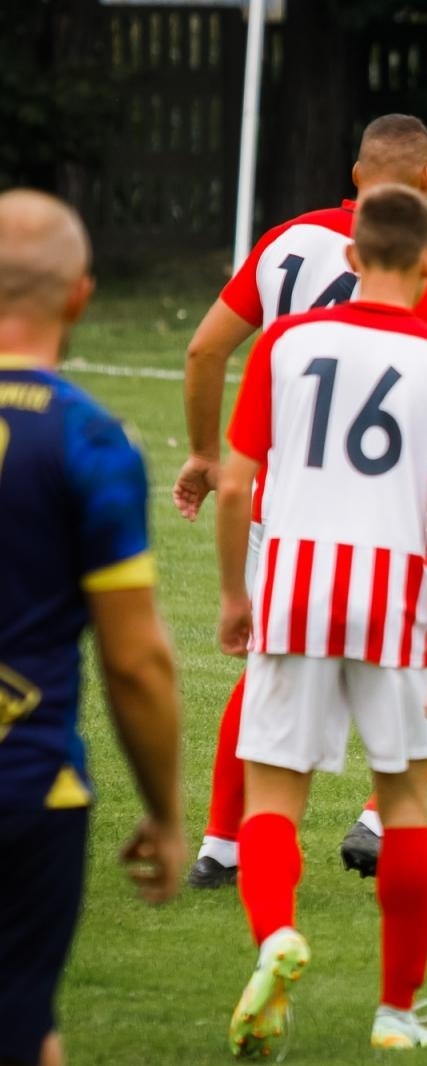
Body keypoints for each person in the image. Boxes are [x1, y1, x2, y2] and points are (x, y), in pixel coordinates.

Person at [173, 113, 427, 890]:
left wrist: (205, 453)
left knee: (265, 669)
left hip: (273, 507)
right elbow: (413, 411)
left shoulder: (285, 241)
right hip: (371, 511)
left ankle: (222, 852)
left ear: (356, 176)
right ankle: (385, 824)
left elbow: (203, 348)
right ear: (426, 183)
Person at [216, 184, 427, 1055]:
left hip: (294, 587)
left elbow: (233, 482)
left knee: (274, 796)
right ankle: (396, 1012)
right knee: (405, 804)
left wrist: (235, 596)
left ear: (349, 258)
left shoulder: (288, 342)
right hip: (394, 602)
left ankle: (277, 940)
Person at [0, 188, 185, 1066]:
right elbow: (137, 663)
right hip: (28, 793)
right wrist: (164, 811)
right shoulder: (89, 442)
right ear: (80, 296)